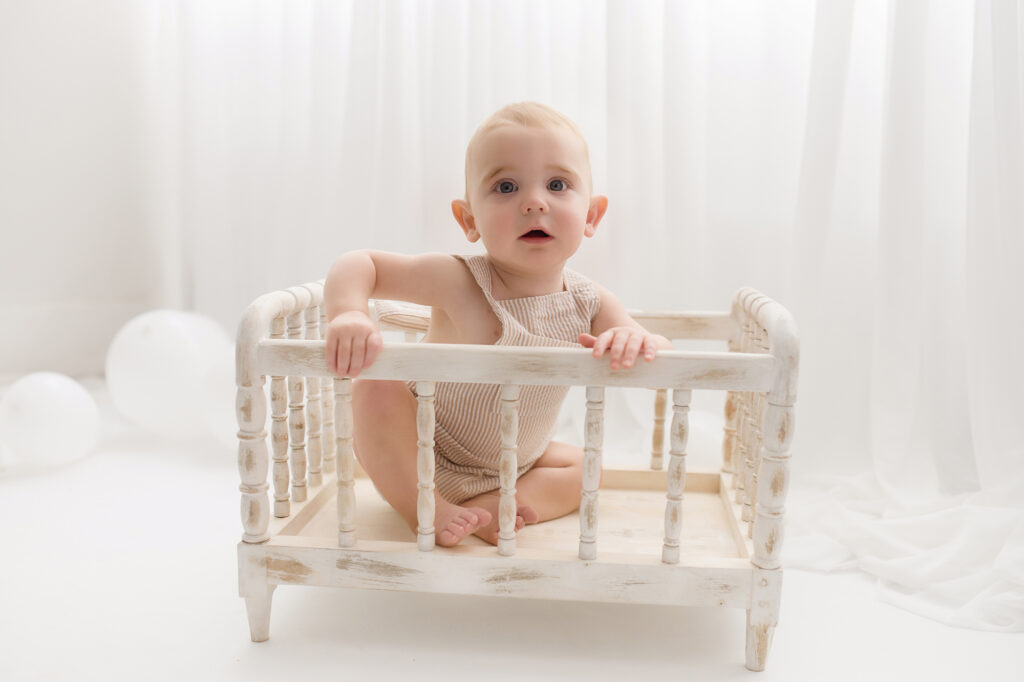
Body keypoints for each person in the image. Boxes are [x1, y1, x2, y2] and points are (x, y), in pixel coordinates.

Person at [323, 102, 671, 547]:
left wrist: (636, 338)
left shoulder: (591, 301)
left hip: (514, 462)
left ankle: (498, 504)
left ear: (591, 216)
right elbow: (361, 263)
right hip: (423, 454)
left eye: (558, 184)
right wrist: (350, 312)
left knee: (587, 468)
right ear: (469, 220)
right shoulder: (459, 282)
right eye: (506, 186)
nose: (534, 202)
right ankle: (423, 508)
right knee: (373, 387)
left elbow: (660, 351)